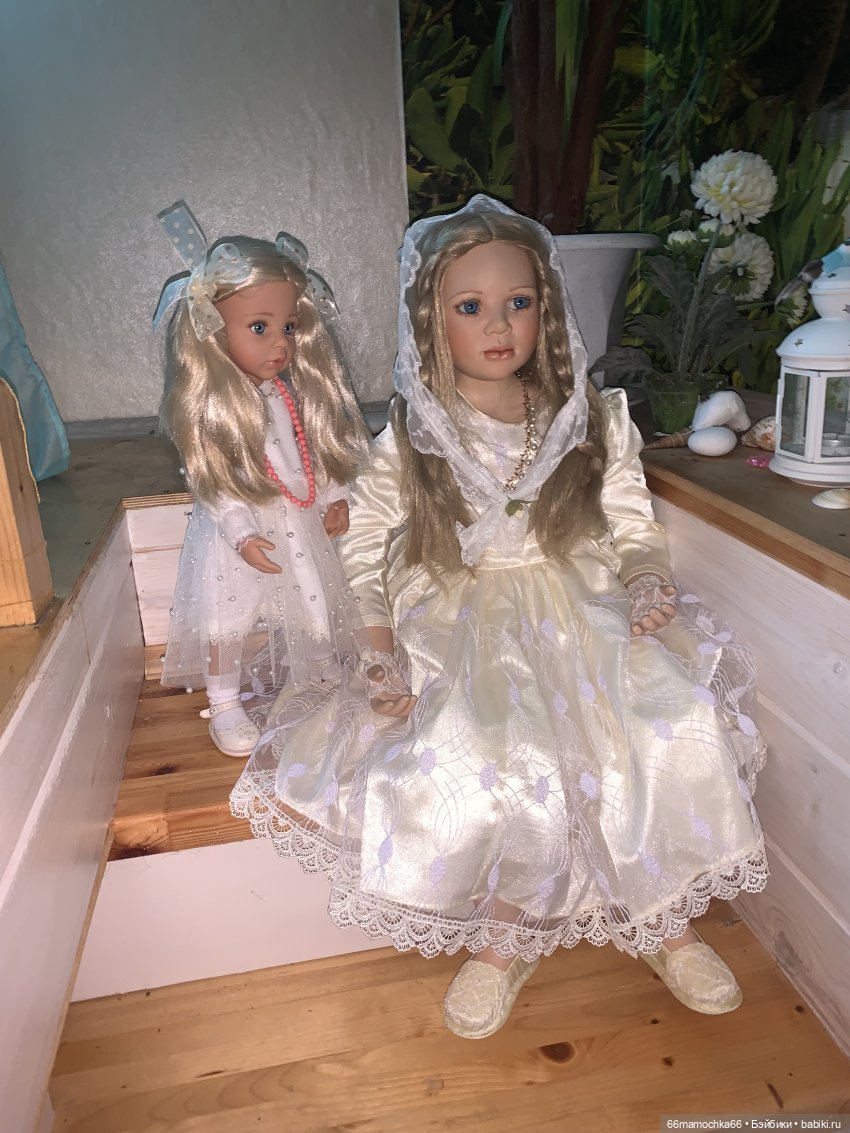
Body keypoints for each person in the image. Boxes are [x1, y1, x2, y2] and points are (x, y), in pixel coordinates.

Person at [232, 195, 767, 1037]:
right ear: (431, 320)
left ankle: (665, 918)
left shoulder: (590, 417)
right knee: (501, 750)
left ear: (545, 311)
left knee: (660, 721)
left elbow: (630, 520)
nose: (497, 325)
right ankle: (504, 935)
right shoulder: (413, 435)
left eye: (518, 302)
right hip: (465, 615)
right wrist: (377, 646)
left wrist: (645, 578)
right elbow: (365, 544)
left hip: (581, 603)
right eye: (469, 306)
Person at [153, 202, 369, 757]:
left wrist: (336, 495)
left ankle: (320, 666)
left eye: (288, 327)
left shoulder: (288, 395)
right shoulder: (216, 408)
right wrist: (241, 532)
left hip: (297, 519)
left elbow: (313, 452)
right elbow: (213, 480)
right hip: (239, 529)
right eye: (260, 327)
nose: (281, 343)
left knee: (313, 593)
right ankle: (224, 702)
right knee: (228, 613)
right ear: (211, 332)